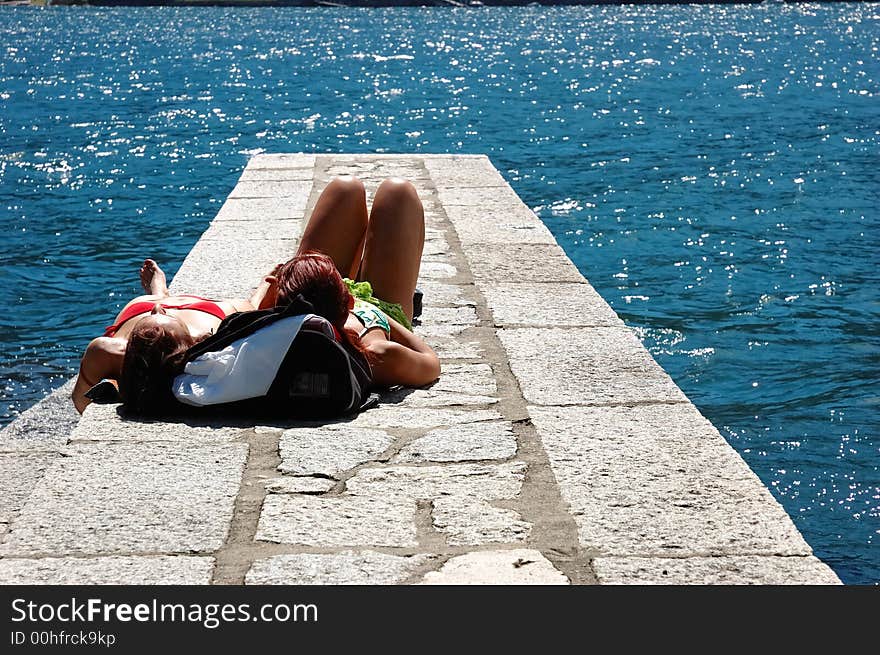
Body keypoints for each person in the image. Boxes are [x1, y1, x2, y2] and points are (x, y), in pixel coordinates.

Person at [269, 175, 440, 389]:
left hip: (306, 299)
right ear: (349, 300)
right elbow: (431, 364)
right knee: (398, 192)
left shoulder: (268, 341)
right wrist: (377, 312)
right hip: (380, 307)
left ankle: (355, 272)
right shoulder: (375, 353)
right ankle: (361, 275)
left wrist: (268, 288)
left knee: (345, 187)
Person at [71, 258, 278, 414]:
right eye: (162, 311)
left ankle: (159, 291)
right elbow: (252, 313)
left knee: (157, 299)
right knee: (248, 306)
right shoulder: (208, 338)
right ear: (191, 342)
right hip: (207, 310)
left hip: (140, 308)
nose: (159, 309)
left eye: (157, 311)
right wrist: (264, 289)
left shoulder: (109, 350)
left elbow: (81, 402)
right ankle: (160, 291)